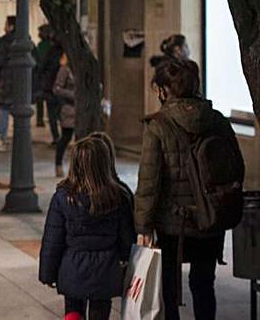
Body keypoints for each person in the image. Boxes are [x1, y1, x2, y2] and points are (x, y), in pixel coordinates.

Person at [136, 58, 244, 320]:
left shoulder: (158, 125)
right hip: (210, 218)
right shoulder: (218, 121)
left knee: (169, 288)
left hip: (173, 223)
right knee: (204, 284)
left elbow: (149, 182)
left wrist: (143, 225)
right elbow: (237, 168)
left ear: (163, 90)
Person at [39, 137, 134, 320]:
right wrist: (124, 261)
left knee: (73, 311)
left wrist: (47, 273)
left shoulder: (63, 196)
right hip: (105, 270)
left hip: (73, 267)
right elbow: (126, 238)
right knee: (100, 311)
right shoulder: (119, 196)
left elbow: (53, 240)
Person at [33, 25, 62, 143]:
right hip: (60, 85)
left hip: (50, 84)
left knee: (52, 112)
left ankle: (56, 136)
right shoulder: (63, 52)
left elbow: (42, 65)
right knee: (59, 110)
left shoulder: (48, 49)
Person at [52, 52, 77, 178]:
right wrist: (73, 95)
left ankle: (78, 169)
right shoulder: (65, 69)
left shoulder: (84, 68)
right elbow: (57, 88)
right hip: (69, 109)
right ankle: (58, 164)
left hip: (82, 110)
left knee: (82, 141)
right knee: (66, 137)